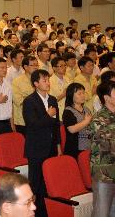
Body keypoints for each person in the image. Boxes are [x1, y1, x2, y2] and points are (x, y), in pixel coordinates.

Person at [23, 69, 61, 217]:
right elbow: (32, 124)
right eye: (44, 80)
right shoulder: (29, 101)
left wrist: (58, 146)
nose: (47, 82)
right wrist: (47, 115)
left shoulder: (52, 100)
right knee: (36, 183)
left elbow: (56, 124)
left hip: (51, 147)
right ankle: (33, 212)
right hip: (36, 149)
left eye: (48, 79)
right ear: (36, 83)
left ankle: (46, 212)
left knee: (49, 183)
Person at [88, 81, 115, 217]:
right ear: (107, 98)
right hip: (104, 173)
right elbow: (108, 145)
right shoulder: (98, 119)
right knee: (101, 212)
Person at [62, 83, 92, 159]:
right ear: (71, 95)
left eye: (83, 93)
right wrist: (86, 121)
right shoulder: (68, 111)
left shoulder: (86, 109)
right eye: (79, 93)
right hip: (75, 149)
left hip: (89, 146)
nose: (82, 95)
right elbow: (72, 129)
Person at [12, 55, 39, 136]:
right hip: (23, 120)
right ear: (25, 67)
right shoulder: (17, 81)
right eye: (32, 65)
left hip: (38, 119)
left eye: (36, 65)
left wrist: (27, 97)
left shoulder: (40, 80)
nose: (35, 67)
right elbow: (18, 101)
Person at [49, 56, 71, 121]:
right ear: (54, 68)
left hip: (68, 112)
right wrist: (63, 95)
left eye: (65, 65)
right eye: (61, 66)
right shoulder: (49, 81)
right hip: (57, 114)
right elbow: (50, 102)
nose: (64, 68)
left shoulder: (68, 79)